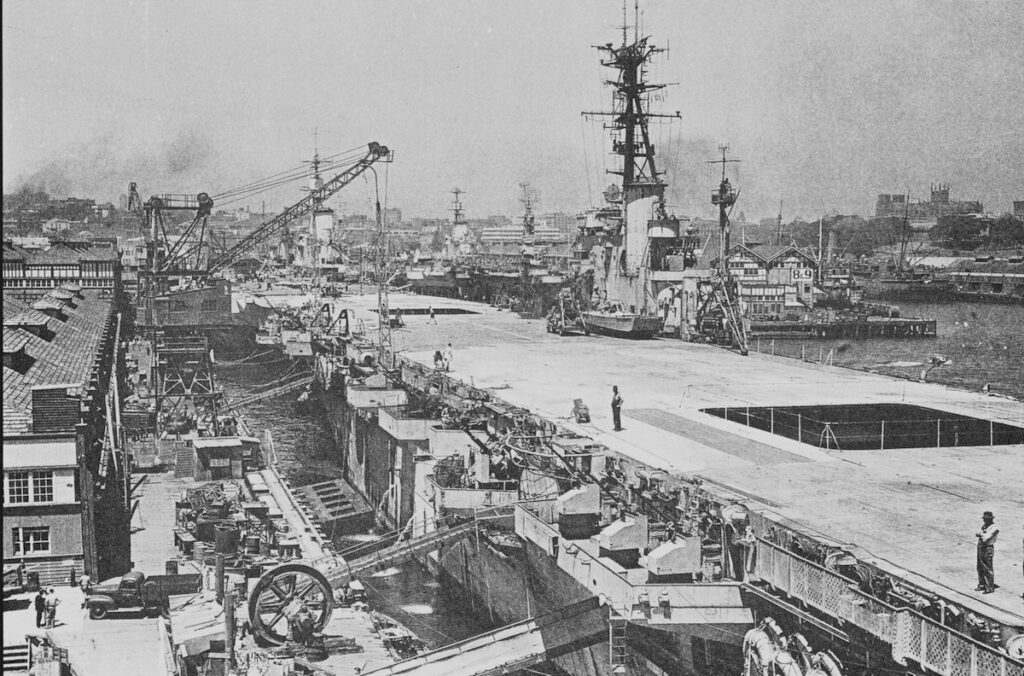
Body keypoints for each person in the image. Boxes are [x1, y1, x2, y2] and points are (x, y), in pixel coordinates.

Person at [975, 511, 999, 594]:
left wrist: (981, 534)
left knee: (987, 567)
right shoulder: (985, 526)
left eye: (986, 519)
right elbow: (978, 534)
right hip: (981, 546)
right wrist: (981, 534)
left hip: (987, 547)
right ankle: (982, 584)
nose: (985, 521)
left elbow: (986, 538)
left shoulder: (994, 528)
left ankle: (989, 587)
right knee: (980, 566)